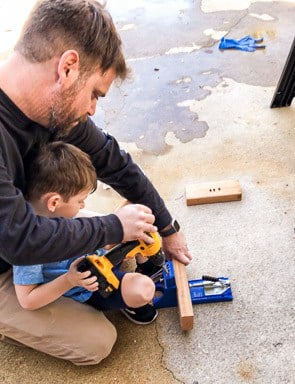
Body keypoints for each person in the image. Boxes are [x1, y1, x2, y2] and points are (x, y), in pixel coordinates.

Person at [0, 0, 191, 365]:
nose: (92, 110)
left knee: (124, 224)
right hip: (9, 258)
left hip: (35, 222)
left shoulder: (52, 112)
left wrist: (167, 227)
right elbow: (19, 241)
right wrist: (110, 229)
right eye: (95, 95)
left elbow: (114, 162)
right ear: (68, 68)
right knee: (97, 342)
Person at [13, 141, 158, 325]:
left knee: (138, 215)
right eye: (80, 200)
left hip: (97, 250)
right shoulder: (29, 245)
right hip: (89, 282)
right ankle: (130, 302)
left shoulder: (55, 210)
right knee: (143, 289)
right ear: (54, 202)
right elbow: (27, 300)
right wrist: (70, 280)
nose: (83, 205)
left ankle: (147, 266)